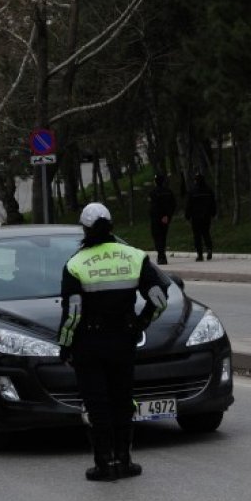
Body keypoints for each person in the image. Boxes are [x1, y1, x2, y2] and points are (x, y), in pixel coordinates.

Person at [57, 203, 169, 481]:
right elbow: (159, 299)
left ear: (84, 229)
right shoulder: (135, 257)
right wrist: (139, 324)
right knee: (122, 400)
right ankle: (125, 460)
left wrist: (65, 345)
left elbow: (72, 314)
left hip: (89, 344)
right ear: (112, 225)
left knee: (97, 404)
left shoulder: (75, 264)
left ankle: (104, 464)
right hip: (123, 341)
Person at [184, 173, 217, 261]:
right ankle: (209, 248)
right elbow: (213, 203)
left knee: (197, 236)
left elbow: (189, 205)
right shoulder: (208, 190)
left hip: (196, 217)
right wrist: (213, 213)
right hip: (206, 216)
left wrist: (187, 216)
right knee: (206, 233)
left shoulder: (192, 191)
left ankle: (200, 254)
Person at [148, 173, 176, 265]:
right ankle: (162, 255)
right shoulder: (168, 191)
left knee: (157, 237)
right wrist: (168, 216)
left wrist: (162, 216)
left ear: (156, 182)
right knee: (163, 237)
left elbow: (155, 207)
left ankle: (161, 256)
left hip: (156, 219)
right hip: (166, 219)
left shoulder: (153, 193)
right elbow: (173, 205)